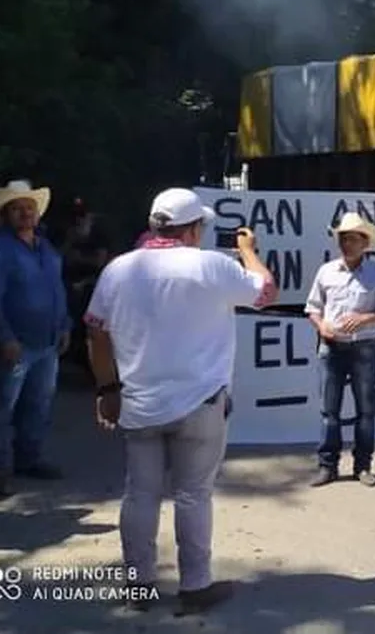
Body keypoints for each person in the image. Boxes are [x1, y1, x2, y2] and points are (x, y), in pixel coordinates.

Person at [83, 187, 276, 613]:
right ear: (192, 228)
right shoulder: (211, 264)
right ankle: (195, 585)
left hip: (139, 403)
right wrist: (248, 252)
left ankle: (139, 586)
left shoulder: (119, 269)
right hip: (200, 402)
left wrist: (106, 389)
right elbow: (265, 293)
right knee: (193, 494)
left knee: (140, 495)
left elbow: (95, 331)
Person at [0, 180, 70, 498]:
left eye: (29, 208)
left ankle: (29, 459)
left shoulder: (45, 247)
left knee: (38, 405)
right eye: (17, 209)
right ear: (5, 215)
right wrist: (4, 336)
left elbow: (57, 289)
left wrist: (64, 325)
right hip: (14, 342)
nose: (26, 213)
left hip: (47, 341)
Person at [304, 212, 375, 488]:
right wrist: (320, 326)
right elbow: (312, 308)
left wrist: (366, 318)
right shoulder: (326, 271)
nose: (347, 244)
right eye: (344, 239)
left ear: (365, 242)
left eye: (353, 239)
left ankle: (362, 466)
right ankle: (327, 466)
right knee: (328, 411)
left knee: (366, 411)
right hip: (331, 348)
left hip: (364, 348)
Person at [59, 197, 111, 375]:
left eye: (83, 216)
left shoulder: (99, 235)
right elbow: (61, 258)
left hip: (93, 283)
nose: (80, 220)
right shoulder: (69, 232)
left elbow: (100, 263)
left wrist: (78, 259)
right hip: (68, 282)